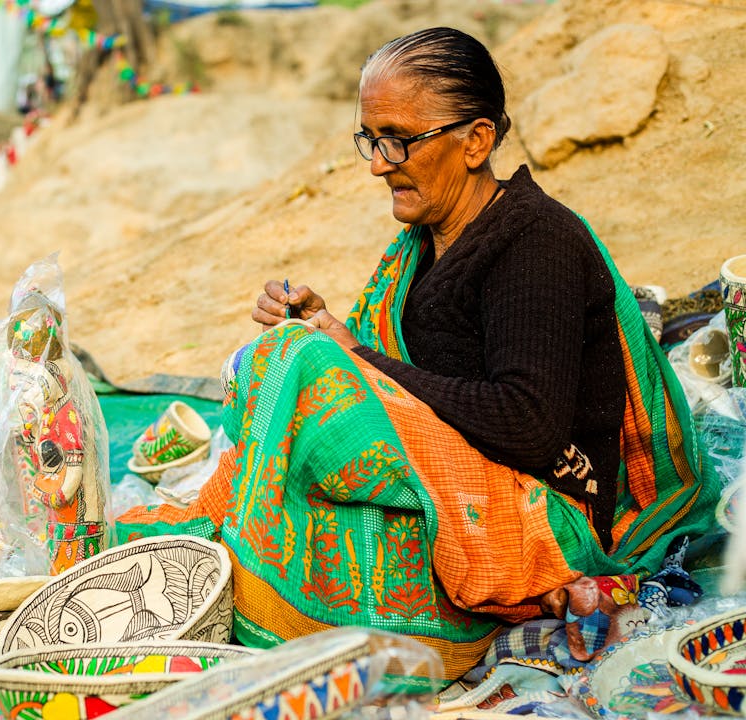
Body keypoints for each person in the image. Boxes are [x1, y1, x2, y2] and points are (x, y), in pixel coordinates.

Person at [117, 27, 714, 680]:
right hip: (471, 477)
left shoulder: (533, 245)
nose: (378, 162)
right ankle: (248, 561)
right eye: (370, 138)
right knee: (284, 377)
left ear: (476, 140)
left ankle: (273, 595)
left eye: (398, 139)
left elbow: (527, 424)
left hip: (551, 510)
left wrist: (353, 361)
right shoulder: (428, 243)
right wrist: (330, 331)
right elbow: (425, 380)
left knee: (303, 374)